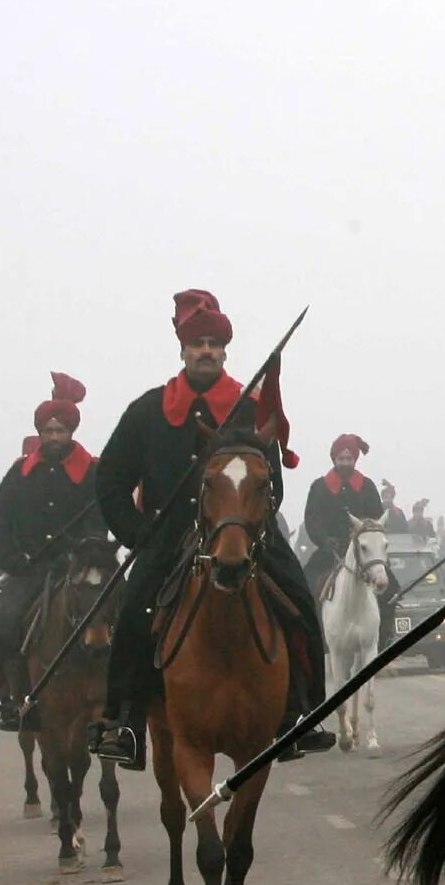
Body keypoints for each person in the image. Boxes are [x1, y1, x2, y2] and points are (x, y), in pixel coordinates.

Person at [87, 290, 337, 769]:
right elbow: (112, 480)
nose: (205, 351)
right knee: (137, 608)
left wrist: (250, 520)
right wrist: (139, 534)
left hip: (242, 532)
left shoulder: (250, 406)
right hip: (167, 535)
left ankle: (300, 712)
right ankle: (124, 721)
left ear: (225, 351)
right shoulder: (147, 410)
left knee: (299, 599)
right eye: (196, 343)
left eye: (213, 344)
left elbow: (274, 483)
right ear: (182, 350)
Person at [0, 373, 108, 729]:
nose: (53, 437)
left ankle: (120, 701)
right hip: (27, 569)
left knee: (120, 614)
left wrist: (85, 548)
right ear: (40, 433)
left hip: (79, 565)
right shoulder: (20, 472)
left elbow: (100, 516)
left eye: (60, 431)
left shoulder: (92, 471)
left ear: (71, 432)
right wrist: (9, 560)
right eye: (47, 431)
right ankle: (6, 694)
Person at [302, 435, 388, 597]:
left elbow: (377, 518)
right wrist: (324, 540)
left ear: (354, 459)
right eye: (341, 458)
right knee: (306, 583)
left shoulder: (367, 486)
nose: (345, 462)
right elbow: (312, 519)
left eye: (349, 458)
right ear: (334, 459)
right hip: (330, 551)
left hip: (365, 553)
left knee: (391, 589)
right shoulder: (319, 487)